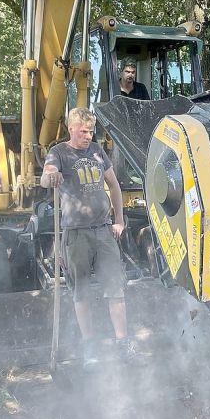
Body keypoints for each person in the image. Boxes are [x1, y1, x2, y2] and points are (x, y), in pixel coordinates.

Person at [41, 107, 132, 364]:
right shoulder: (59, 152)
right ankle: (90, 346)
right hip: (76, 234)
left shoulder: (97, 151)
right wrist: (52, 176)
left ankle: (123, 344)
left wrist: (119, 220)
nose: (89, 136)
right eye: (83, 131)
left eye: (91, 131)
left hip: (103, 231)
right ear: (71, 128)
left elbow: (113, 185)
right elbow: (45, 179)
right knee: (81, 292)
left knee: (116, 288)